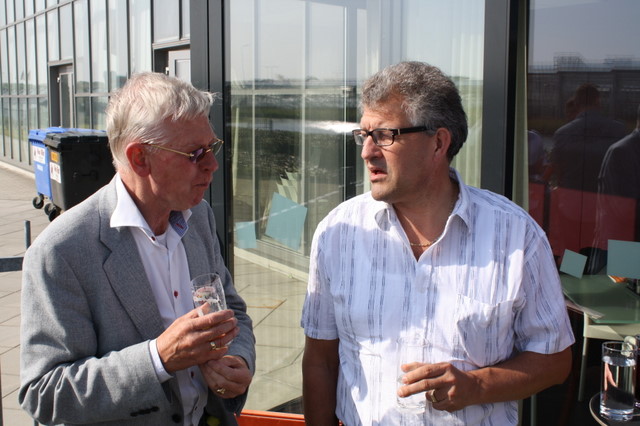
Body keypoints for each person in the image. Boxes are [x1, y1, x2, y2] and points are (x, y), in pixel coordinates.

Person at [301, 61, 574, 425]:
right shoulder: (338, 233)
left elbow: (554, 360)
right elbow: (320, 360)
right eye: (363, 135)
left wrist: (477, 385)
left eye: (384, 135)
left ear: (438, 143)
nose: (367, 151)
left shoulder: (515, 235)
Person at [19, 72, 255, 426]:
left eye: (212, 147)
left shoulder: (198, 217)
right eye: (195, 153)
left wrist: (238, 360)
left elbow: (232, 309)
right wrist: (157, 358)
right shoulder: (62, 251)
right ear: (140, 158)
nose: (212, 164)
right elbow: (45, 393)